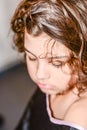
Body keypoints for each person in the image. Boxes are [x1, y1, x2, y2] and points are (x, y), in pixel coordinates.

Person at [11, 0, 87, 129]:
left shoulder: (79, 117)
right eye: (31, 57)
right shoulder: (54, 82)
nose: (39, 74)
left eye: (57, 63)